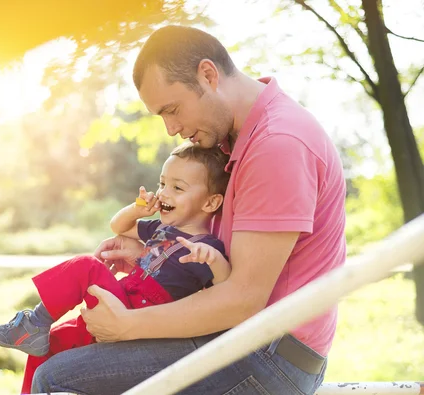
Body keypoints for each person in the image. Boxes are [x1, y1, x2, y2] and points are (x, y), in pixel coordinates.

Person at [30, 25, 346, 395]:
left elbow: (242, 298)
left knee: (56, 378)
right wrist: (158, 257)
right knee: (61, 349)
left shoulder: (277, 144)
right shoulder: (241, 138)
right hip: (242, 340)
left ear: (208, 75)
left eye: (173, 109)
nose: (171, 129)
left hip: (266, 359)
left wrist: (127, 325)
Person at [0, 143, 232, 393]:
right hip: (124, 296)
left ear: (210, 203)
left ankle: (35, 320)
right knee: (50, 342)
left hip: (145, 315)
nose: (164, 193)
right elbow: (119, 226)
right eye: (162, 184)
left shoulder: (206, 246)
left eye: (177, 187)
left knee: (86, 267)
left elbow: (225, 288)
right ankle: (32, 342)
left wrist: (215, 261)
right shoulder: (160, 228)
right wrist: (137, 209)